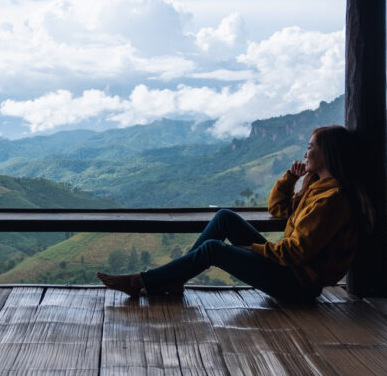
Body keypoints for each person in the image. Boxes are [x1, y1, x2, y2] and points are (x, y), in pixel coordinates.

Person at [97, 125, 372, 303]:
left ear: (328, 154)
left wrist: (251, 249)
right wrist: (291, 178)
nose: (306, 151)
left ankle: (142, 282)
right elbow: (278, 209)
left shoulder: (332, 199)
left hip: (296, 285)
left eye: (311, 146)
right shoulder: (317, 187)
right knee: (225, 217)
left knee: (214, 250)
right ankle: (173, 280)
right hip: (289, 269)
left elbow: (296, 252)